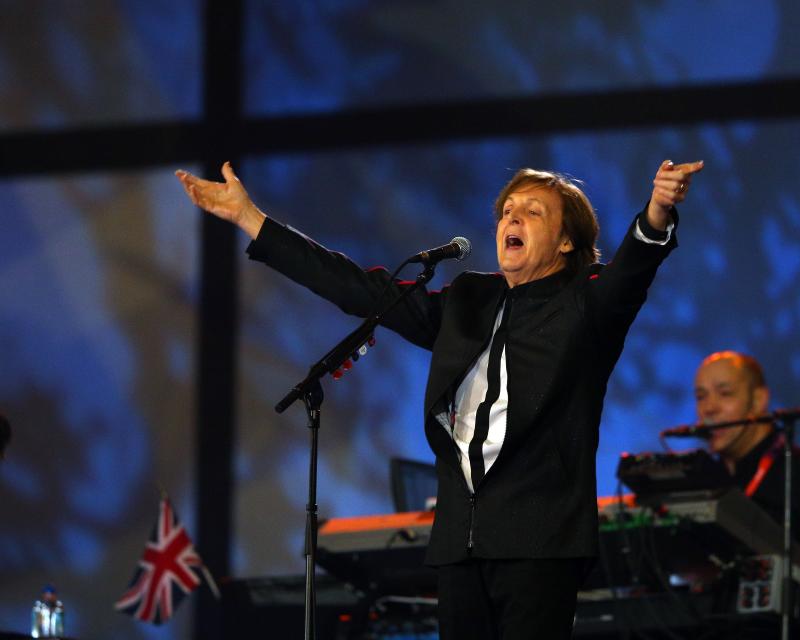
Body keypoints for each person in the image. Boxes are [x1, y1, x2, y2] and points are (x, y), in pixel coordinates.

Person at [177, 158, 703, 639]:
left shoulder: (585, 305)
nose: (511, 219)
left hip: (540, 542)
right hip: (459, 544)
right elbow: (358, 289)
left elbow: (633, 271)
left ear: (566, 242)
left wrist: (657, 213)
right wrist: (253, 220)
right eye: (506, 211)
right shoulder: (467, 302)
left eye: (532, 212)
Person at [693, 350, 800, 582]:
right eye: (701, 396)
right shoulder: (703, 479)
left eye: (725, 394)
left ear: (759, 400)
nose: (709, 408)